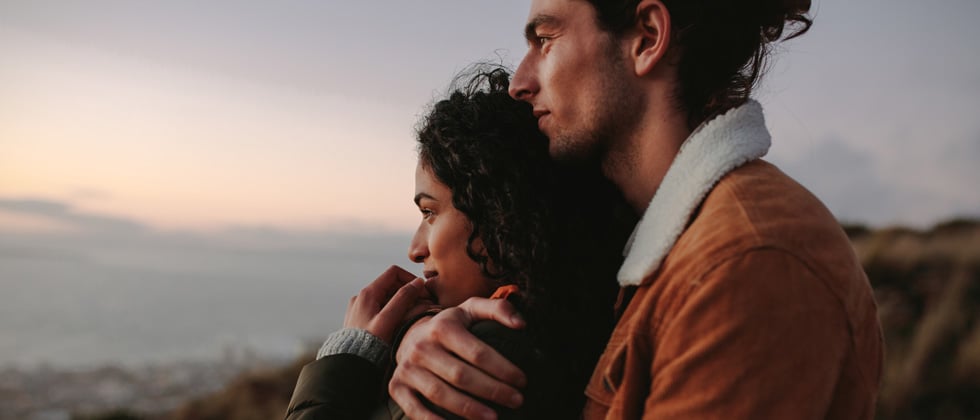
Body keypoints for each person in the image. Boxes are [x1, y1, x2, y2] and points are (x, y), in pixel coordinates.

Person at [388, 1, 885, 419]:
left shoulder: (747, 264)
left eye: (545, 39)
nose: (521, 80)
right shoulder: (657, 250)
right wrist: (426, 338)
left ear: (647, 38)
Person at [284, 67, 634, 419]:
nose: (415, 249)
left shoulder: (476, 363)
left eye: (429, 212)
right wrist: (410, 332)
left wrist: (350, 356)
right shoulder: (574, 322)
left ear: (500, 214)